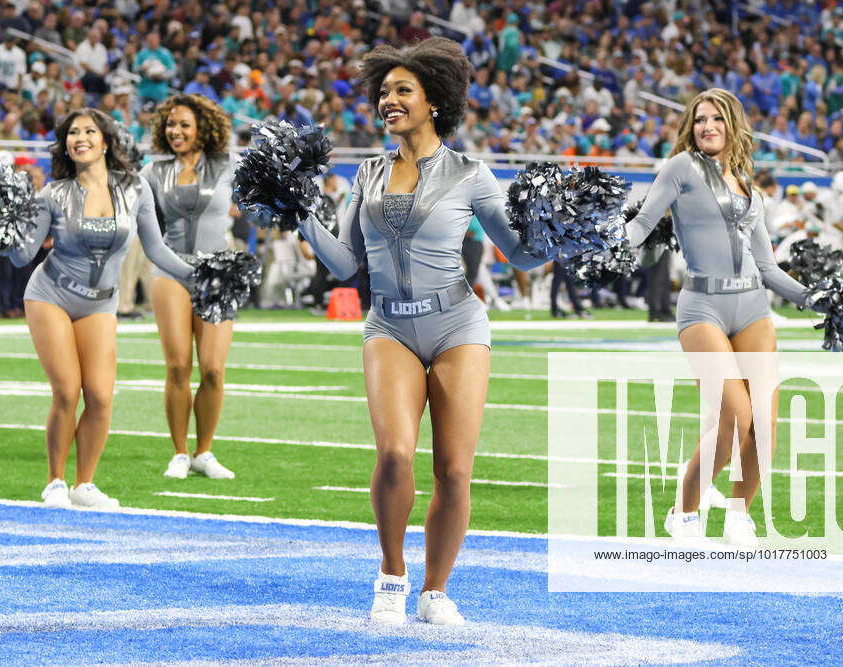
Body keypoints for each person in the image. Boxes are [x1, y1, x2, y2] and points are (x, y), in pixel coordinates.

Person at [293, 37, 543, 625]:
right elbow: (342, 263)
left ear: (434, 101)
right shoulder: (368, 173)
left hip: (457, 321)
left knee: (454, 469)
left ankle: (436, 590)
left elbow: (519, 255)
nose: (389, 100)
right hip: (388, 324)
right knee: (394, 454)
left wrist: (564, 238)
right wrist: (299, 209)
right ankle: (391, 575)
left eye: (402, 90)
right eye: (384, 92)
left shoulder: (472, 174)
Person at [625, 88, 817, 547]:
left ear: (733, 125)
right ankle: (684, 512)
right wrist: (603, 241)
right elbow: (641, 224)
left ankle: (738, 513)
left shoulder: (749, 185)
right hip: (702, 307)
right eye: (699, 120)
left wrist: (818, 299)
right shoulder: (680, 169)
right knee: (733, 418)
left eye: (715, 119)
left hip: (752, 306)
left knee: (766, 425)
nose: (706, 127)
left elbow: (768, 268)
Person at [6, 108, 195, 509]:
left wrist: (199, 275)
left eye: (89, 131)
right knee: (66, 390)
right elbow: (23, 255)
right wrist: (2, 233)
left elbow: (157, 249)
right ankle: (55, 481)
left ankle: (84, 484)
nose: (81, 138)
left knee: (100, 395)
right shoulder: (53, 194)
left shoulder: (135, 189)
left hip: (101, 301)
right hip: (51, 294)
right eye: (73, 132)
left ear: (106, 141)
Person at [140, 94, 238, 480]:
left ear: (204, 128)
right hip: (170, 270)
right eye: (170, 124)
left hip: (219, 271)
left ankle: (204, 452)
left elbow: (258, 200)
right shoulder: (152, 171)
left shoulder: (229, 165)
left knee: (213, 368)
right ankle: (180, 452)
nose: (175, 131)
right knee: (179, 365)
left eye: (183, 124)